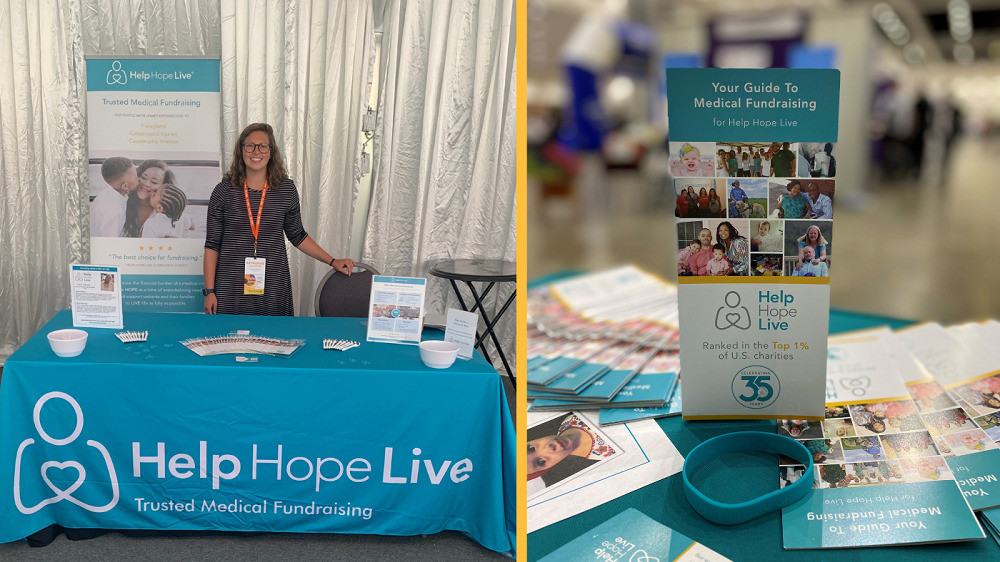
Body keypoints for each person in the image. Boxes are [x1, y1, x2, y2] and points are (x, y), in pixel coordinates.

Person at [203, 123, 355, 316]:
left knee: (274, 341)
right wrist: (209, 292)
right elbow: (212, 245)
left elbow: (298, 235)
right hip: (230, 286)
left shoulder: (286, 190)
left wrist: (332, 260)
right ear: (241, 151)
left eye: (262, 146)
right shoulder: (223, 191)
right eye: (249, 145)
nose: (256, 151)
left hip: (273, 284)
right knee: (231, 341)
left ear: (271, 151)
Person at [526, 413, 614, 479]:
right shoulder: (604, 456)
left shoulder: (568, 421)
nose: (549, 448)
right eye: (541, 462)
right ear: (547, 468)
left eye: (530, 448)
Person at [122, 159, 177, 237]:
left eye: (154, 182)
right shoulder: (123, 201)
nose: (146, 184)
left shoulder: (165, 212)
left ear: (163, 187)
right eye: (144, 177)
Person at [91, 157, 139, 237]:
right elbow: (110, 240)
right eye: (136, 177)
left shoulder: (109, 192)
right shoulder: (114, 211)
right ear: (125, 186)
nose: (139, 179)